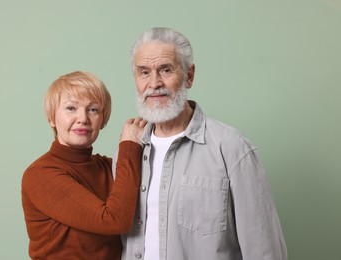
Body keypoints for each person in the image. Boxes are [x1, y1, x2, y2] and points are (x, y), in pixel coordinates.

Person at [117, 27, 288, 260]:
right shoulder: (127, 152)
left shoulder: (232, 149)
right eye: (144, 72)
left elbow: (264, 251)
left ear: (189, 75)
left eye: (166, 70)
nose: (154, 83)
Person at [21, 71, 146, 259]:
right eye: (71, 108)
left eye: (93, 109)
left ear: (103, 120)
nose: (83, 118)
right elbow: (113, 221)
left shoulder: (108, 167)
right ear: (51, 118)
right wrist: (129, 146)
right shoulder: (40, 174)